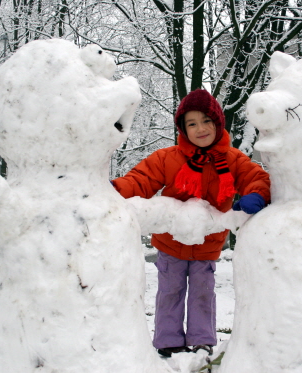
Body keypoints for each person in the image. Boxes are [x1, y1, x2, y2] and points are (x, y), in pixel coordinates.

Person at [112, 89, 270, 357]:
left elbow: (256, 177)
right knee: (170, 292)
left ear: (218, 123)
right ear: (183, 129)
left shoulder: (232, 160)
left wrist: (256, 194)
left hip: (208, 245)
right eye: (192, 124)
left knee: (202, 293)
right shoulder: (168, 158)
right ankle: (167, 340)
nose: (201, 129)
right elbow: (141, 180)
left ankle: (202, 340)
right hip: (170, 243)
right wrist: (115, 189)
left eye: (207, 121)